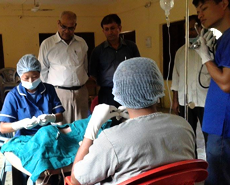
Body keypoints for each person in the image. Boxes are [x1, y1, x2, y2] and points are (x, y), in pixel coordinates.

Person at [70, 57, 195, 185]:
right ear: (157, 85)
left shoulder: (112, 140)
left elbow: (76, 180)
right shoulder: (184, 126)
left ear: (119, 92)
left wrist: (91, 130)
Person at [0, 54, 65, 184]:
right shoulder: (13, 96)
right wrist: (20, 124)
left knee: (55, 162)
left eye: (34, 77)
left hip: (48, 136)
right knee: (30, 166)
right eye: (26, 78)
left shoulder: (49, 89)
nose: (31, 81)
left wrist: (50, 117)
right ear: (20, 76)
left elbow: (60, 115)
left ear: (40, 74)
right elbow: (2, 127)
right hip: (25, 139)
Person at [192, 0, 230, 184]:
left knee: (218, 178)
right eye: (198, 11)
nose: (200, 15)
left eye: (204, 8)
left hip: (223, 125)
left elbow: (226, 83)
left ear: (223, 3)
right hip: (218, 121)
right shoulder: (224, 39)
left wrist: (205, 57)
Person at [38, 11, 89, 124]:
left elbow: (85, 66)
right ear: (58, 23)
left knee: (82, 127)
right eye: (63, 27)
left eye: (71, 28)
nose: (66, 31)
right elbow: (42, 71)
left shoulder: (82, 43)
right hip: (58, 93)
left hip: (80, 92)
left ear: (75, 26)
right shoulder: (47, 44)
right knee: (61, 127)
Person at [171, 15, 210, 144]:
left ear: (200, 27)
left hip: (205, 101)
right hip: (185, 100)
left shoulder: (208, 50)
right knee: (188, 137)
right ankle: (191, 161)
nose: (189, 32)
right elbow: (176, 78)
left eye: (192, 29)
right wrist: (175, 101)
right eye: (186, 29)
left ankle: (210, 162)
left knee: (209, 137)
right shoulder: (180, 52)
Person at [89, 14, 140, 109]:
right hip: (107, 93)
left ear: (119, 28)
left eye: (112, 28)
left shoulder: (131, 47)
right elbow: (93, 74)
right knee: (109, 121)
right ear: (103, 31)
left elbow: (137, 67)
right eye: (106, 29)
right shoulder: (98, 51)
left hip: (128, 91)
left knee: (129, 120)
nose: (110, 32)